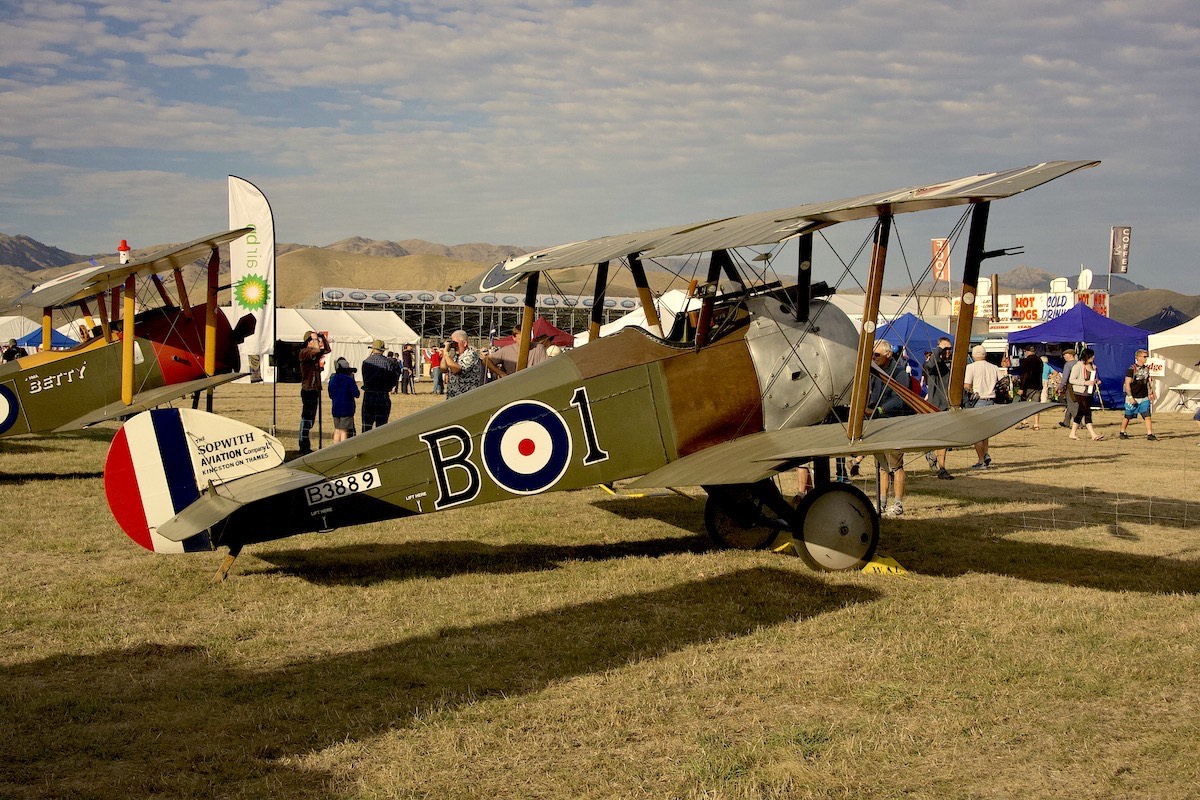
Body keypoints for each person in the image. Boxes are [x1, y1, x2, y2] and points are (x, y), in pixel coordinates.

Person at [867, 340, 909, 516]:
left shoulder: (899, 373)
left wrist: (878, 410)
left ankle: (898, 503)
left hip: (893, 421)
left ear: (888, 354)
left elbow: (900, 399)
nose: (874, 357)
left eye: (877, 354)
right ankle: (882, 503)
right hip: (877, 422)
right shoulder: (874, 372)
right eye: (872, 354)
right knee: (882, 465)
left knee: (896, 465)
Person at [963, 344, 1002, 469]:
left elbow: (967, 386)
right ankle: (985, 454)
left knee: (976, 433)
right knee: (985, 432)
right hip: (991, 401)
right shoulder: (993, 367)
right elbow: (1003, 381)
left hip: (977, 401)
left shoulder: (971, 367)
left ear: (973, 356)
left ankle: (981, 460)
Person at [922, 336, 954, 479]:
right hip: (935, 406)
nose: (947, 352)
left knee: (944, 439)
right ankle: (930, 453)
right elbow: (929, 365)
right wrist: (939, 350)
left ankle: (942, 467)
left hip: (947, 406)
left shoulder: (952, 364)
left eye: (949, 349)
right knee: (935, 437)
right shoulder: (934, 364)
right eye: (944, 349)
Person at [297, 330, 330, 454]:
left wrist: (322, 338)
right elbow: (316, 350)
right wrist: (316, 339)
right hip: (308, 389)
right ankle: (303, 444)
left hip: (314, 388)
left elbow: (327, 350)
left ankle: (305, 444)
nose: (316, 342)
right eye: (313, 340)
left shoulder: (313, 353)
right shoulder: (304, 352)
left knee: (310, 418)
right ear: (308, 342)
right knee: (306, 418)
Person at [361, 339, 399, 432]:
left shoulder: (366, 362)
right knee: (381, 427)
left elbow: (364, 377)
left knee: (367, 426)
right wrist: (389, 387)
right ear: (383, 350)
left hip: (369, 395)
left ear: (373, 349)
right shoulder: (388, 362)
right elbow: (393, 378)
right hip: (382, 395)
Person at [1119, 348, 1157, 441]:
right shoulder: (1132, 369)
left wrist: (1151, 392)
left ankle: (1150, 434)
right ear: (1138, 357)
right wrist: (1130, 397)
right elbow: (1127, 383)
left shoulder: (1146, 369)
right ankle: (1122, 431)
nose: (1146, 358)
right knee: (1128, 416)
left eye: (1146, 356)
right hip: (1133, 397)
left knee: (1147, 416)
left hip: (1143, 397)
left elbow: (1148, 382)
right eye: (1144, 356)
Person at [1068, 347, 1104, 441]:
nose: (1093, 357)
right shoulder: (1077, 366)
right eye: (1091, 355)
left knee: (1081, 412)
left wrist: (1095, 381)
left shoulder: (1092, 365)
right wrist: (1085, 382)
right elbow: (1071, 380)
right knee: (1087, 411)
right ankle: (1093, 434)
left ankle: (1072, 433)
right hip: (1080, 392)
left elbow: (1091, 378)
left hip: (1089, 392)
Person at [327, 357, 359, 443]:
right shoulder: (349, 380)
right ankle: (343, 449)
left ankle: (335, 449)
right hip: (347, 408)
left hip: (336, 407)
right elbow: (356, 393)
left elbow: (330, 394)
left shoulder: (333, 379)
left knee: (337, 430)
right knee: (344, 430)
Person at [443, 329, 482, 398]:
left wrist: (446, 354)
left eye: (455, 343)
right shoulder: (455, 357)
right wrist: (445, 353)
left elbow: (457, 370)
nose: (454, 346)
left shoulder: (471, 355)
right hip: (453, 396)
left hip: (466, 397)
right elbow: (443, 368)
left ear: (464, 343)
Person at [1016, 344, 1044, 430]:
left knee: (1024, 404)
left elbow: (1025, 375)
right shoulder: (1039, 360)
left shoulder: (1025, 361)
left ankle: (1025, 421)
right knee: (1036, 405)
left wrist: (1021, 387)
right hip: (1037, 385)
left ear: (1027, 352)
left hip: (1028, 386)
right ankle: (1036, 424)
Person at [1058, 348, 1078, 428]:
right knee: (1071, 404)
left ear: (1070, 355)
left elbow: (1065, 378)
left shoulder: (1068, 364)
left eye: (1065, 355)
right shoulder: (1078, 363)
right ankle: (1066, 422)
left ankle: (1079, 423)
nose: (1064, 357)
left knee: (1073, 405)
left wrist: (1060, 387)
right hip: (1079, 387)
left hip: (1070, 387)